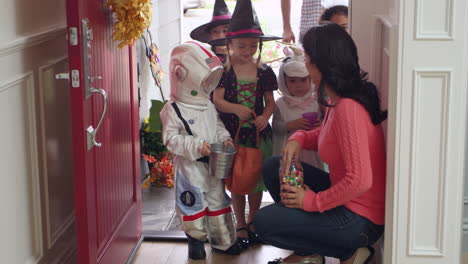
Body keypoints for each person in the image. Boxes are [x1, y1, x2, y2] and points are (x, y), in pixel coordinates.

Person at [253, 23, 387, 264]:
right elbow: (327, 138)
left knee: (264, 223)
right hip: (346, 201)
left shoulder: (348, 108)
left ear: (321, 66)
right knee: (275, 166)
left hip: (360, 219)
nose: (305, 65)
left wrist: (312, 202)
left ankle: (352, 250)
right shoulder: (337, 99)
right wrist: (298, 139)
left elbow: (360, 180)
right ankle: (310, 253)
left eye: (307, 59)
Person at [160, 41, 242, 260]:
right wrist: (196, 146)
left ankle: (223, 241)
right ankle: (195, 241)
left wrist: (224, 139)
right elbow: (170, 139)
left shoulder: (206, 103)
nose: (208, 83)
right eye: (204, 79)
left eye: (209, 80)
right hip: (190, 168)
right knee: (193, 203)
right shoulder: (173, 109)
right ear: (183, 76)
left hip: (214, 164)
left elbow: (217, 126)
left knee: (218, 201)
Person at [209, 0, 280, 249]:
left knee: (256, 180)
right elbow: (217, 100)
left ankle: (253, 220)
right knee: (237, 180)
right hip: (233, 136)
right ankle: (239, 222)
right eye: (241, 45)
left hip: (259, 135)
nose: (247, 50)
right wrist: (235, 108)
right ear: (229, 44)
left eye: (252, 45)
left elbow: (270, 102)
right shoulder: (223, 72)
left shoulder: (264, 71)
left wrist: (265, 116)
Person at [272, 46, 323, 170]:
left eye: (303, 80)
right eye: (293, 81)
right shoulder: (280, 104)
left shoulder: (317, 101)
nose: (298, 86)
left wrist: (320, 125)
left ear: (310, 79)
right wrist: (291, 125)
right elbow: (276, 127)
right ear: (284, 81)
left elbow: (326, 123)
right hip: (288, 150)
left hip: (311, 152)